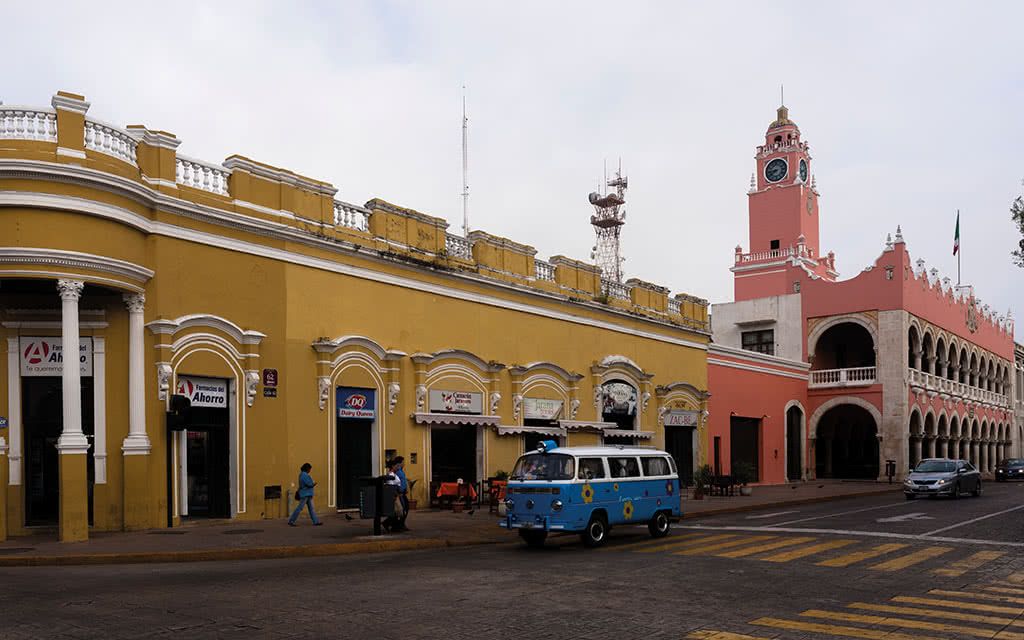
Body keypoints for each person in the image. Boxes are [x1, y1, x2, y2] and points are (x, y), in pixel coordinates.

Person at [393, 455, 410, 532]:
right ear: (399, 463)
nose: (404, 464)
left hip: (403, 492)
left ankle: (401, 524)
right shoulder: (398, 471)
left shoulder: (401, 471)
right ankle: (399, 525)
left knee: (404, 508)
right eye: (403, 462)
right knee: (402, 509)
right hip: (400, 493)